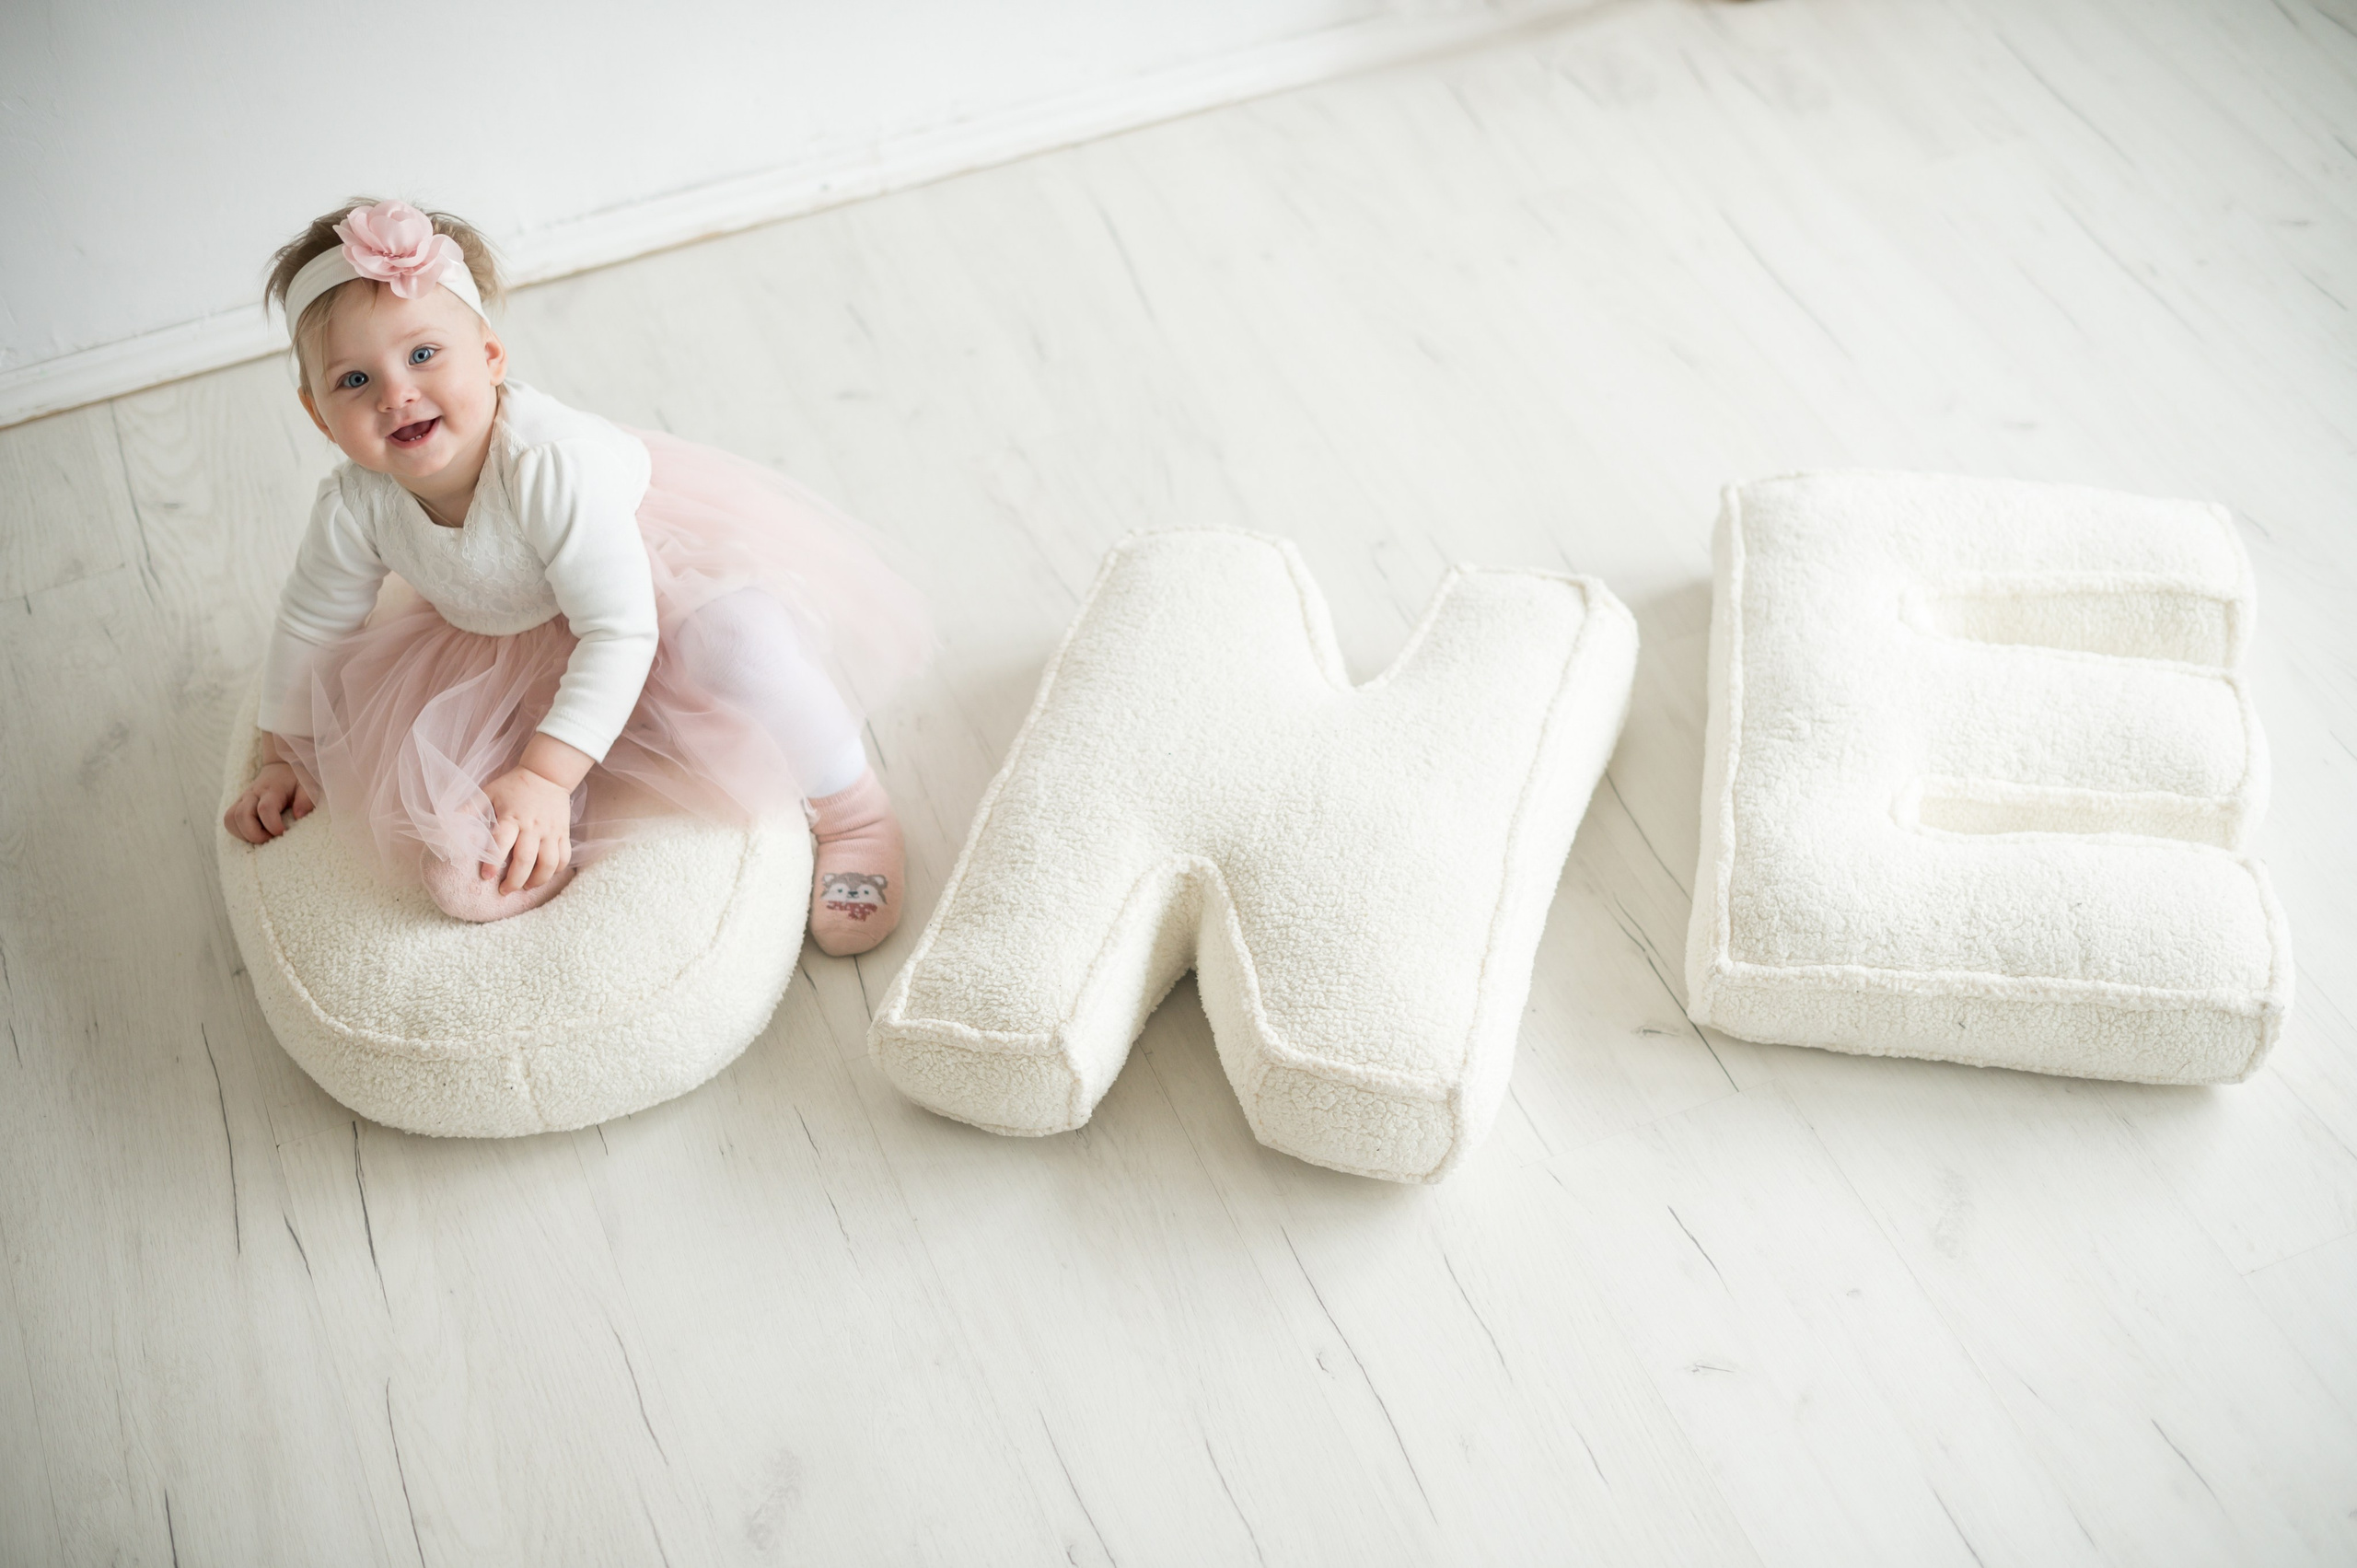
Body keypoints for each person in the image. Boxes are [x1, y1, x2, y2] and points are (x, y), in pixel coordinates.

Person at [222, 199, 930, 956]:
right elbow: (313, 620)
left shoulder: (547, 464)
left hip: (643, 592)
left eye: (423, 354)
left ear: (491, 357)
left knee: (738, 646)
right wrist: (287, 753)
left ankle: (853, 810)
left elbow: (620, 629)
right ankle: (546, 829)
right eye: (355, 379)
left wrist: (545, 775)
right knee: (463, 840)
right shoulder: (355, 502)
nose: (394, 394)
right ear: (318, 416)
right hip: (505, 628)